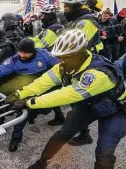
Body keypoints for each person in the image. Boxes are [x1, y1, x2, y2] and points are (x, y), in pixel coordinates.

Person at [6, 29, 126, 169]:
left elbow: (66, 94)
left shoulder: (99, 73)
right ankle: (42, 162)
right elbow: (44, 81)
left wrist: (30, 102)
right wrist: (19, 94)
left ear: (80, 54)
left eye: (65, 57)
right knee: (63, 134)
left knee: (104, 153)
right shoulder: (66, 65)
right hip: (90, 104)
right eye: (60, 57)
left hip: (116, 110)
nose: (60, 61)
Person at [0, 38, 64, 151]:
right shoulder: (15, 59)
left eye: (25, 52)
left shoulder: (45, 55)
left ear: (33, 51)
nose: (22, 55)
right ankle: (13, 132)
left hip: (42, 84)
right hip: (22, 83)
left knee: (32, 108)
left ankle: (17, 135)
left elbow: (60, 68)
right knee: (19, 105)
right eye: (20, 51)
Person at [56, 0, 104, 146]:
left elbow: (76, 44)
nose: (65, 11)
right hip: (77, 64)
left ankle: (85, 134)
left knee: (79, 99)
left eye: (67, 7)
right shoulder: (78, 20)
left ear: (77, 7)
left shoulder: (87, 21)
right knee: (76, 99)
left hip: (85, 65)